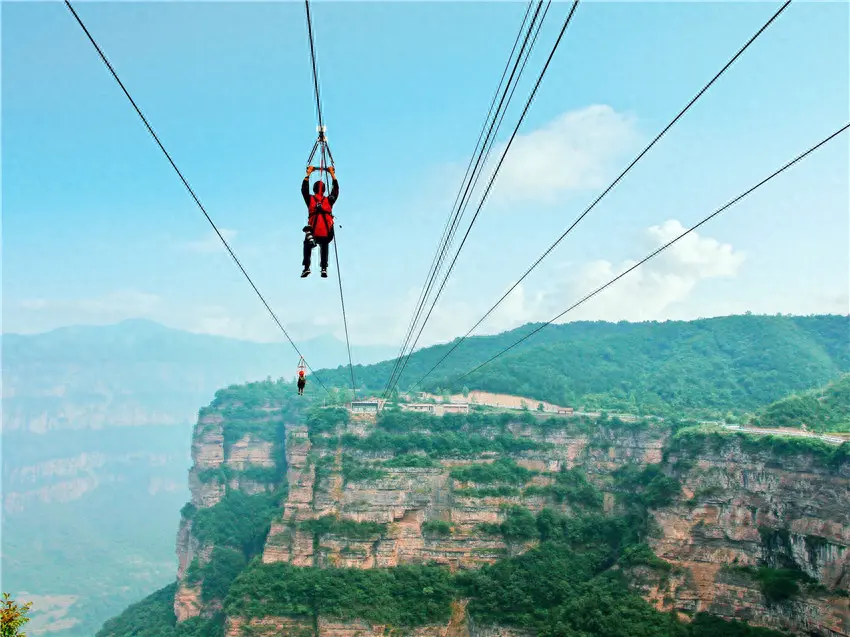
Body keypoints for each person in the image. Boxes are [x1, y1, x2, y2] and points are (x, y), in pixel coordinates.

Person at [301, 165, 339, 278]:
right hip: (327, 233)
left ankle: (306, 267)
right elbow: (336, 190)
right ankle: (324, 268)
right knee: (325, 244)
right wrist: (332, 174)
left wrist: (308, 173)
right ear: (324, 190)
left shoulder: (310, 199)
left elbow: (304, 190)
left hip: (314, 232)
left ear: (314, 189)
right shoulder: (329, 200)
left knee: (307, 243)